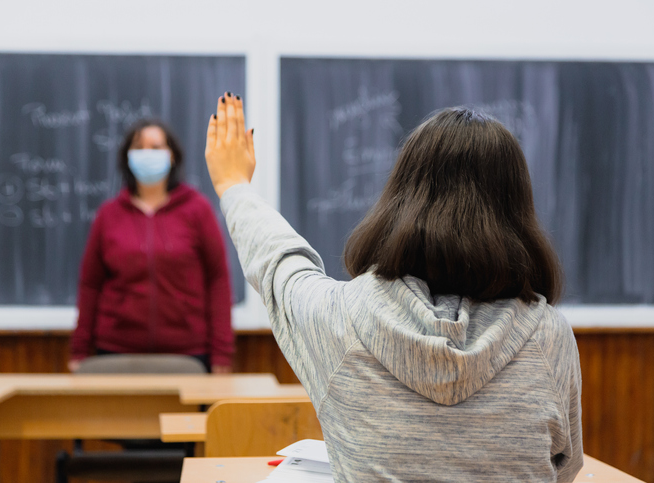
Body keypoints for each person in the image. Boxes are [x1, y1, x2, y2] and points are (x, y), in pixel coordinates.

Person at [205, 93, 582, 482]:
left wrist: (233, 185)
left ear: (402, 198)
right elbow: (564, 468)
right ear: (516, 212)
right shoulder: (548, 334)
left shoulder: (340, 319)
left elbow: (281, 264)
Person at [70, 119, 234, 374]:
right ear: (127, 157)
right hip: (116, 353)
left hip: (188, 354)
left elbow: (218, 279)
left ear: (172, 156)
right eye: (139, 147)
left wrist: (222, 352)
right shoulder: (108, 215)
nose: (148, 154)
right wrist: (79, 349)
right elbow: (90, 284)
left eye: (156, 147)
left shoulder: (197, 210)